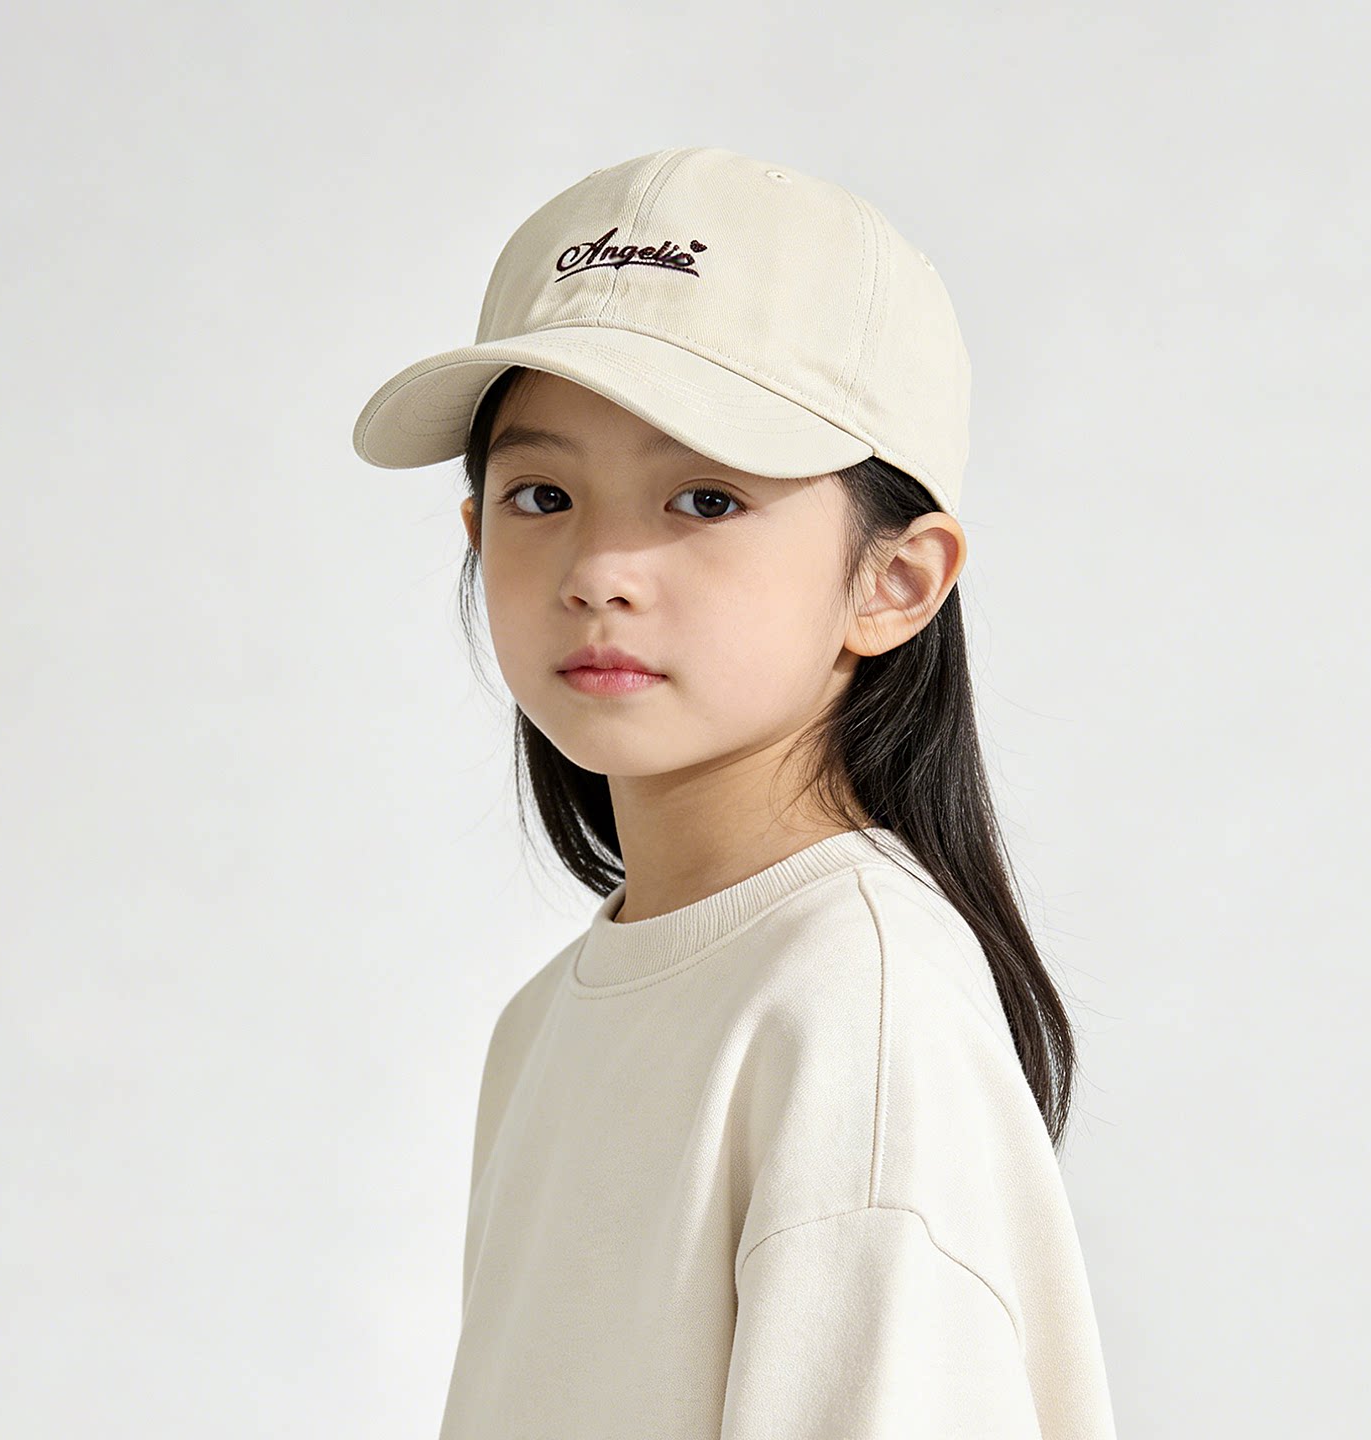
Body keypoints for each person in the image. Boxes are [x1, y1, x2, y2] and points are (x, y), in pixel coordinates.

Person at [350, 147, 1119, 1439]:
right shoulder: (548, 1025)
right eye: (541, 494)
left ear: (896, 581)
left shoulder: (855, 1014)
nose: (599, 567)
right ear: (475, 534)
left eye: (705, 497)